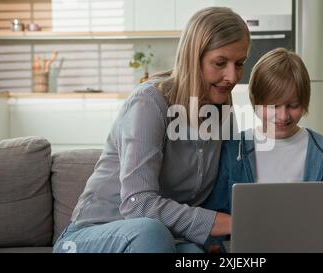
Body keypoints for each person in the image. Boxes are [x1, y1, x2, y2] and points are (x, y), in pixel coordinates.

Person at [53, 7, 250, 253]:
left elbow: (218, 197)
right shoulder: (150, 101)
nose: (232, 77)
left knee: (195, 253)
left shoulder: (222, 111)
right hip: (90, 237)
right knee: (150, 233)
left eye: (239, 63)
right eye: (220, 63)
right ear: (193, 57)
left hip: (163, 239)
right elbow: (139, 205)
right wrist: (228, 224)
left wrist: (215, 238)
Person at [202, 48, 323, 252]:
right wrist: (214, 247)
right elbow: (214, 213)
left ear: (304, 103)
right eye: (273, 106)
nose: (282, 115)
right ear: (255, 102)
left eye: (293, 105)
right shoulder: (233, 149)